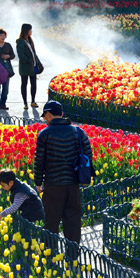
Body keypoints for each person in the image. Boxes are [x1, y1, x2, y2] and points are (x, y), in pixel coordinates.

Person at [34, 100, 92, 246]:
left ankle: (50, 254)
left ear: (48, 115)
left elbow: (39, 161)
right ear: (62, 114)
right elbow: (88, 156)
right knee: (73, 221)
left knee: (51, 221)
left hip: (53, 184)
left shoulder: (44, 134)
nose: (45, 120)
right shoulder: (78, 132)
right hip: (73, 184)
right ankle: (72, 255)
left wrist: (38, 183)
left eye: (45, 117)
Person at [16, 23, 40, 110]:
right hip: (25, 67)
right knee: (24, 84)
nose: (31, 31)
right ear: (26, 30)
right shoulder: (20, 41)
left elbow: (33, 53)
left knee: (34, 84)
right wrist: (30, 60)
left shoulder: (29, 40)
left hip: (33, 67)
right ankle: (25, 103)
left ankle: (33, 101)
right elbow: (21, 56)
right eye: (30, 29)